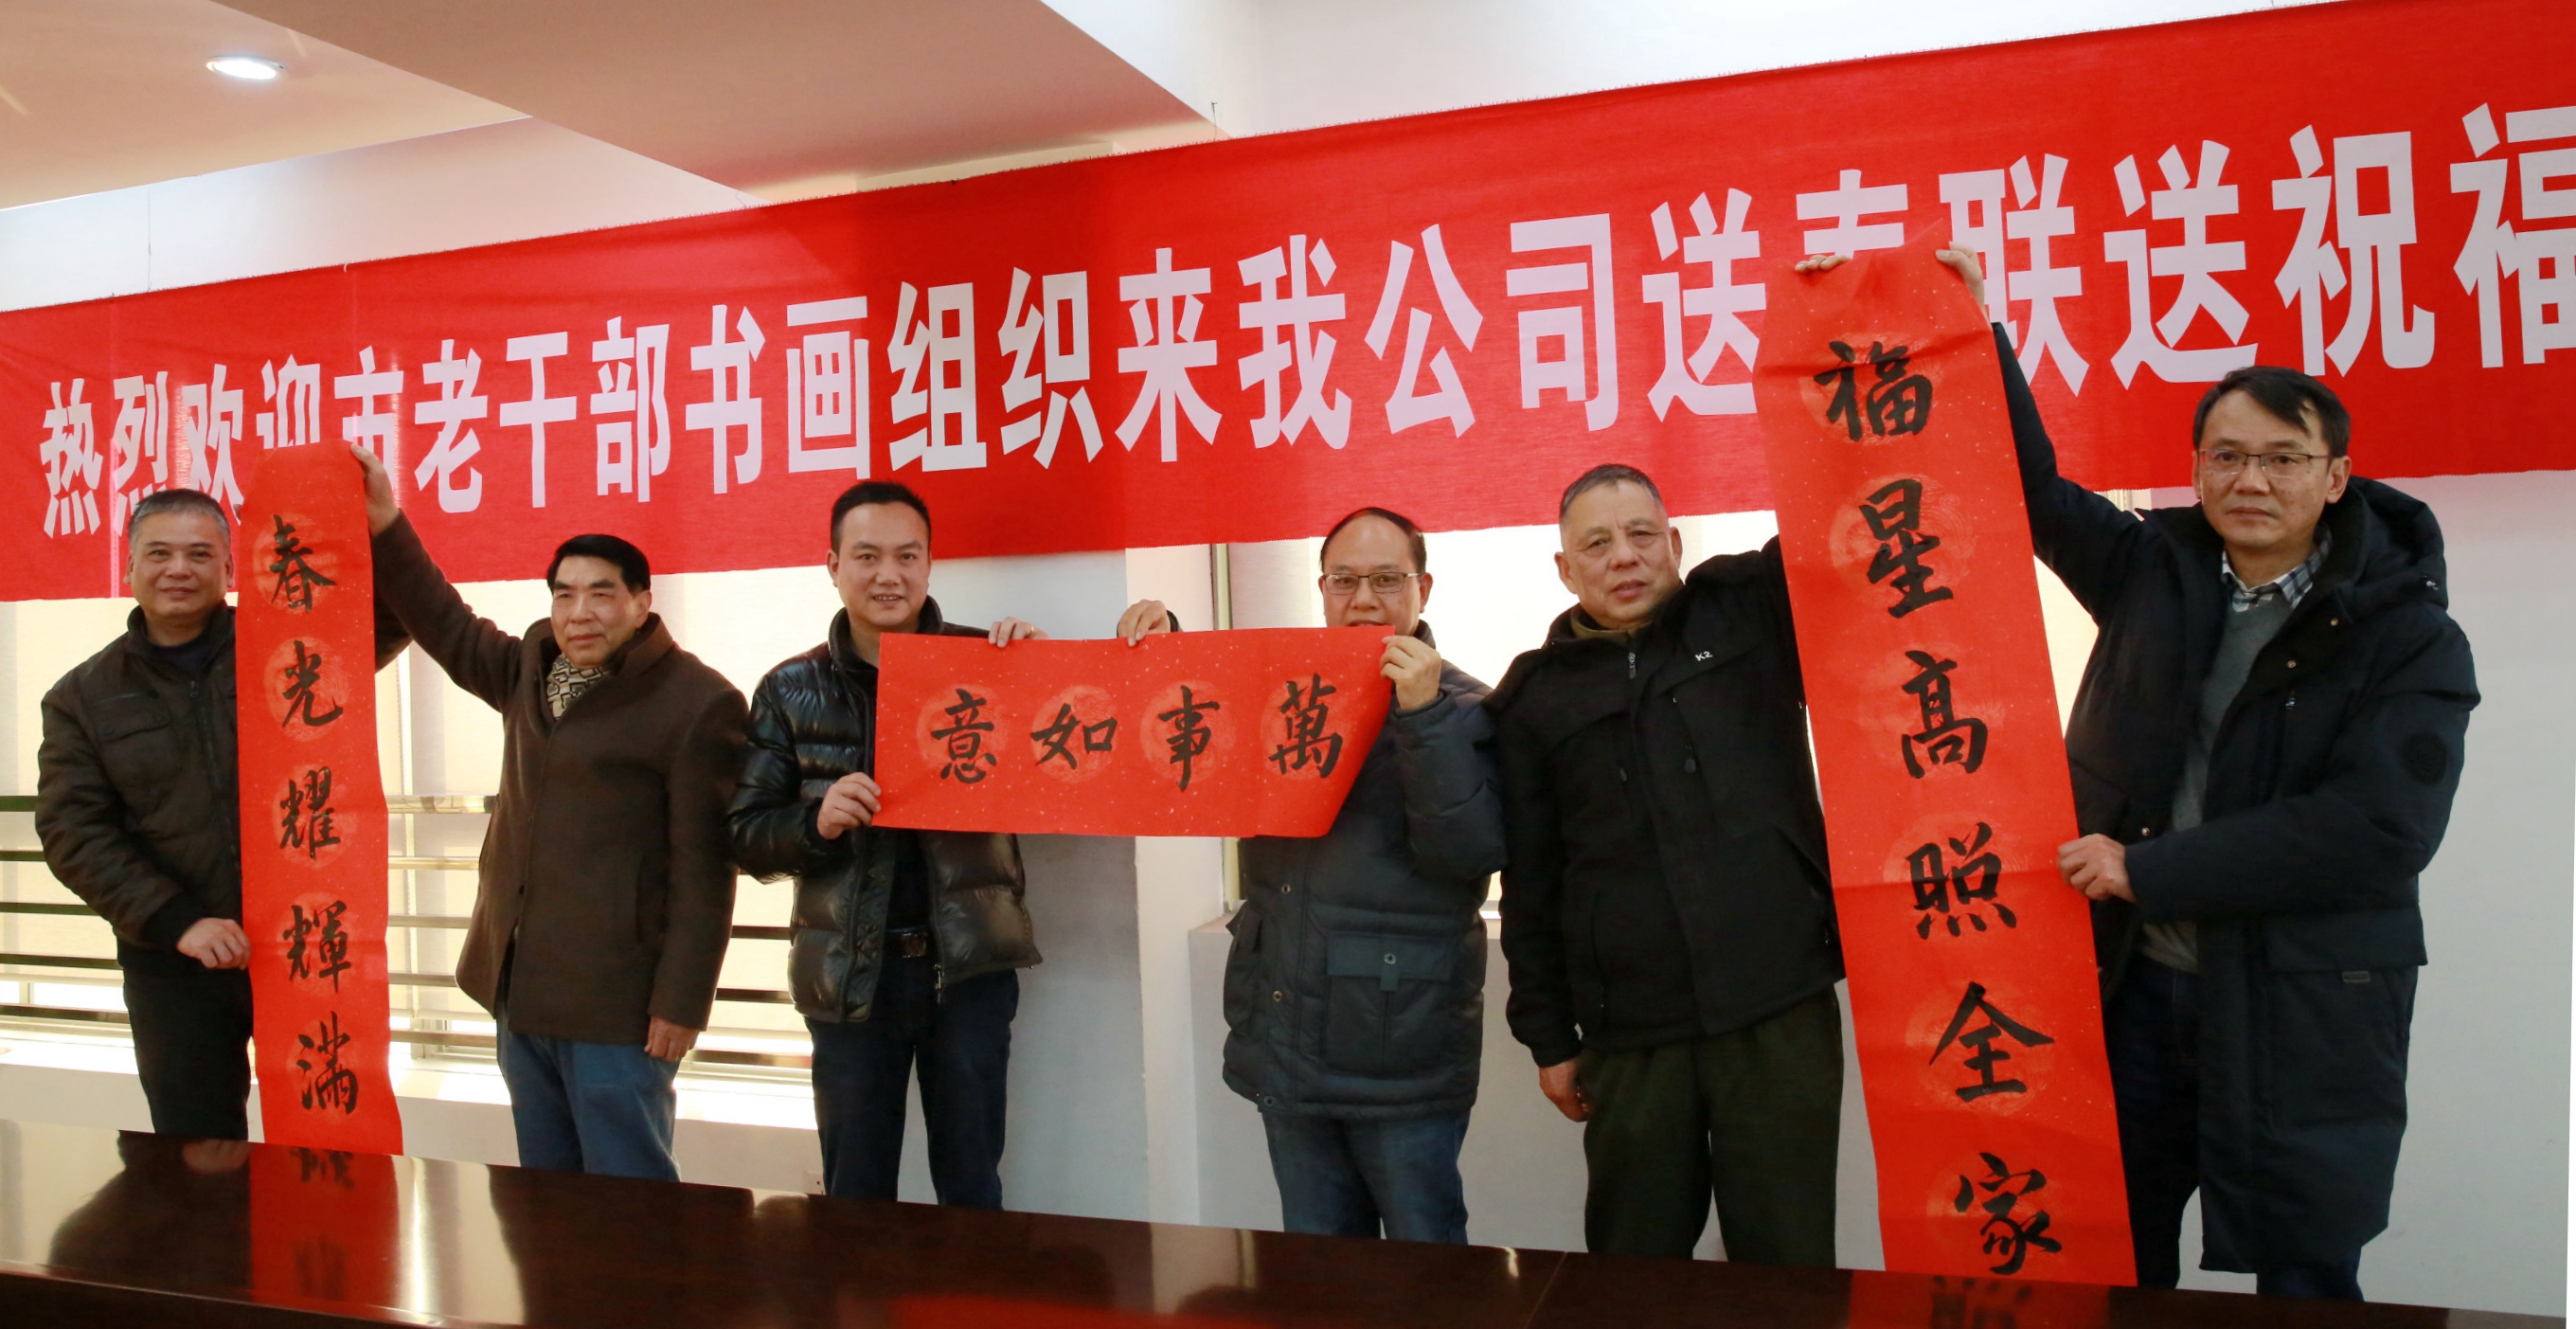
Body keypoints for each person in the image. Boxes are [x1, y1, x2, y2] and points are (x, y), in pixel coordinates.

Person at [1939, 247, 2478, 1299]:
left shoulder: (2407, 635)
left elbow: (2378, 830)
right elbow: (2024, 487)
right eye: (2226, 456)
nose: (2249, 481)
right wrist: (1972, 329)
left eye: (2281, 459)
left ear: (2334, 477)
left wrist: (2150, 870)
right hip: (2134, 988)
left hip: (2302, 1004)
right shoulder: (2152, 569)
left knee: (2305, 1275)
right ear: (2195, 468)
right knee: (2113, 1263)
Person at [353, 443, 746, 1181]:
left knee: (628, 1191)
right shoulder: (533, 665)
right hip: (520, 988)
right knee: (542, 1193)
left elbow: (705, 871)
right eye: (564, 595)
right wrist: (385, 522)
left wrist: (682, 1002)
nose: (580, 613)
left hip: (618, 1007)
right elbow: (445, 622)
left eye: (601, 594)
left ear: (642, 602)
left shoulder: (698, 703)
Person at [1116, 506, 1505, 1244]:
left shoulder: (1466, 707)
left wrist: (1421, 719)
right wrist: (1168, 650)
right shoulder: (1279, 690)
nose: (1364, 600)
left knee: (1427, 1265)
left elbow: (1468, 856)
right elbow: (1195, 727)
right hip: (1290, 1024)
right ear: (1321, 589)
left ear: (1422, 587)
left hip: (1401, 1046)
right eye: (1345, 580)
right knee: (1316, 1264)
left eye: (1386, 579)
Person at [1486, 464, 1843, 1264]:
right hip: (1632, 1027)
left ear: (1674, 543)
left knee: (1789, 1263)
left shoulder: (1749, 610)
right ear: (1565, 568)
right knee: (1634, 1266)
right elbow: (1531, 884)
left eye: (1642, 534)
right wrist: (1548, 1037)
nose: (1624, 556)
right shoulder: (1535, 699)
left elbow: (1838, 512)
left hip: (1777, 1003)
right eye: (1597, 544)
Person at [37, 487, 405, 1140]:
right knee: (197, 1154)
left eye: (200, 553)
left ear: (231, 568)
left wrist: (380, 526)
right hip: (175, 961)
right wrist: (177, 920)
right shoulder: (82, 697)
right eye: (159, 553)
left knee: (331, 1143)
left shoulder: (291, 643)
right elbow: (74, 832)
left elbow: (397, 618)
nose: (178, 569)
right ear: (129, 566)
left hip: (305, 946)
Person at [728, 480, 1045, 1207]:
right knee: (857, 1192)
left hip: (967, 972)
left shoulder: (989, 662)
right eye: (867, 556)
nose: (888, 575)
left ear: (930, 564)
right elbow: (746, 835)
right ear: (833, 565)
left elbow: (1090, 747)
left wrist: (1041, 672)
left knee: (972, 1187)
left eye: (907, 556)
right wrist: (816, 822)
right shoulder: (788, 688)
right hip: (849, 978)